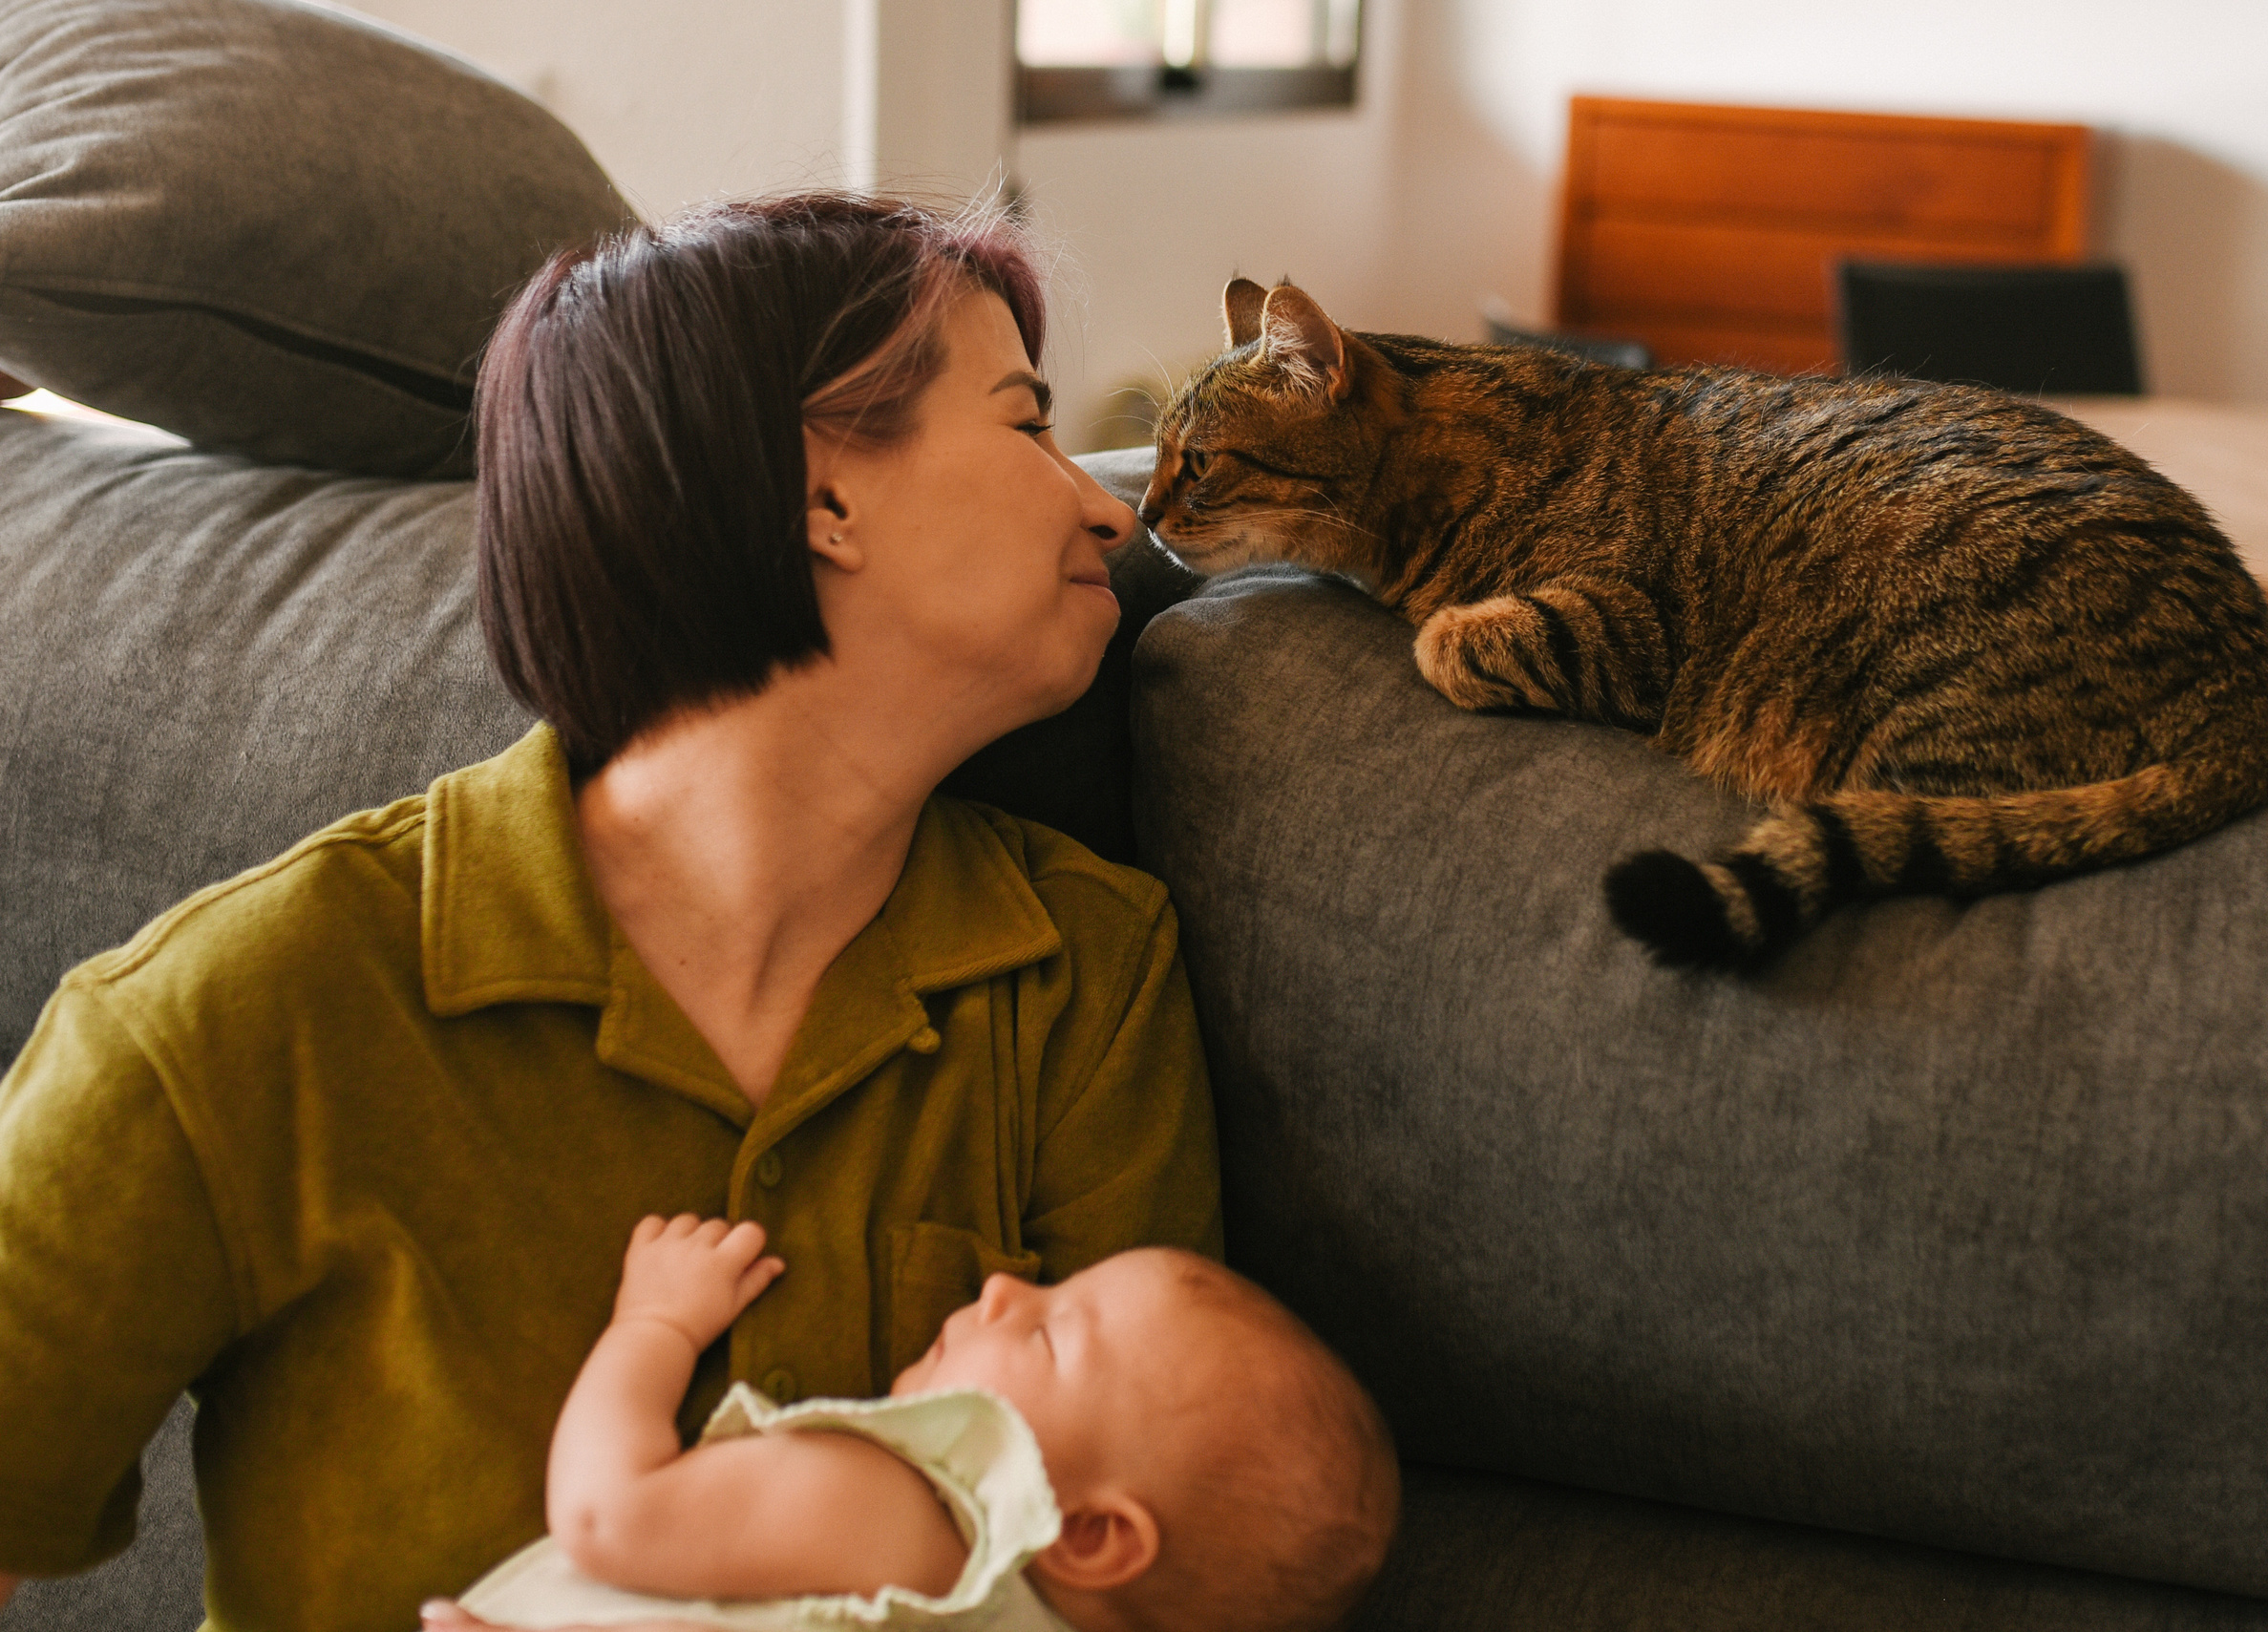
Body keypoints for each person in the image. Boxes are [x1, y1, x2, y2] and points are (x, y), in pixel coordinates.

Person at [0, 195, 1222, 1632]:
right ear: (819, 491)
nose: (1106, 501)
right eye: (1025, 425)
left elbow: (1150, 1579)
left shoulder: (1084, 973)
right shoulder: (241, 1006)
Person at [423, 1217, 1398, 1632]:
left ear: (1091, 1532)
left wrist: (656, 1322)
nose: (1008, 1285)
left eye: (1055, 1331)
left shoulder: (901, 1518)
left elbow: (608, 1513)